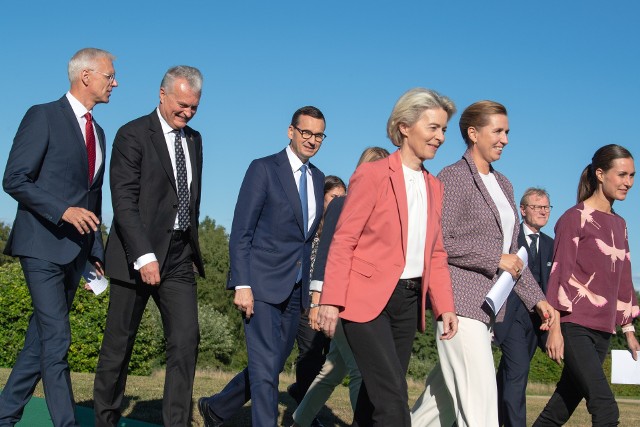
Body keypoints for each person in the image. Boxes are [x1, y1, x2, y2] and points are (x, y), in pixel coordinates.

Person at [317, 88, 459, 426]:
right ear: (405, 126)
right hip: (366, 301)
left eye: (443, 130)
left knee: (374, 394)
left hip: (408, 303)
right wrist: (330, 300)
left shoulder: (434, 186)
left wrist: (445, 305)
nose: (440, 137)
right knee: (394, 398)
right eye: (433, 127)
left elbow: (436, 253)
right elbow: (344, 240)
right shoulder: (373, 174)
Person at [411, 100, 555, 427]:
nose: (505, 139)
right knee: (482, 411)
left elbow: (516, 255)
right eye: (498, 131)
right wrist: (495, 258)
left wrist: (538, 301)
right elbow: (440, 241)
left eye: (507, 132)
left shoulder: (504, 184)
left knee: (434, 410)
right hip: (460, 308)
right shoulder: (454, 176)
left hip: (489, 311)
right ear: (473, 133)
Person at [0, 48, 117, 427]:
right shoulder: (42, 115)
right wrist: (61, 210)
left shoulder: (99, 131)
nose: (114, 83)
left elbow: (93, 198)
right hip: (40, 246)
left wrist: (95, 251)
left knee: (40, 342)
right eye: (109, 75)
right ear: (86, 76)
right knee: (58, 339)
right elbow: (14, 178)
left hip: (75, 252)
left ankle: (4, 415)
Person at [198, 106, 326, 427]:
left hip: (297, 290)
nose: (312, 140)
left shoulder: (318, 178)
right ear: (291, 131)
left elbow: (307, 241)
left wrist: (313, 291)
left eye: (318, 135)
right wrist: (241, 284)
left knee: (271, 364)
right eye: (306, 132)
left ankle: (216, 409)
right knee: (267, 371)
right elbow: (242, 231)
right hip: (261, 285)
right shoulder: (264, 169)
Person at [93, 66, 205, 427]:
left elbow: (188, 199)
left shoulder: (195, 140)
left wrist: (184, 247)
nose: (187, 113)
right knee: (118, 347)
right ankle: (105, 419)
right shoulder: (132, 135)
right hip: (134, 255)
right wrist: (144, 256)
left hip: (178, 257)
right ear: (162, 94)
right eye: (182, 104)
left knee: (186, 341)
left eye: (194, 107)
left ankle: (176, 422)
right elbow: (123, 201)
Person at [534, 144, 639, 426]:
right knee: (606, 409)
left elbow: (624, 280)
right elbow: (559, 274)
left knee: (560, 408)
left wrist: (628, 329)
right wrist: (555, 329)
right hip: (574, 326)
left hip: (604, 329)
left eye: (632, 175)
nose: (628, 182)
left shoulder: (621, 225)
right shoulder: (573, 218)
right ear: (601, 174)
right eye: (622, 174)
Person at [291, 147, 389, 427]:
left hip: (368, 302)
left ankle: (300, 420)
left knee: (333, 370)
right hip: (343, 299)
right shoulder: (342, 204)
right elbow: (326, 253)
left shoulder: (385, 210)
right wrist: (318, 299)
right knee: (360, 370)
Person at [493, 187, 555, 427]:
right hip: (511, 317)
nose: (543, 211)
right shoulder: (509, 237)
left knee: (509, 375)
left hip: (539, 321)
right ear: (522, 210)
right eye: (537, 207)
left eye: (547, 207)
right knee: (517, 375)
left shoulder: (552, 244)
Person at [288, 175, 347, 427]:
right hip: (309, 299)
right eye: (333, 197)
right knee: (311, 355)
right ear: (322, 198)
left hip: (330, 301)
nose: (338, 202)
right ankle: (305, 409)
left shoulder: (340, 227)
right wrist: (314, 302)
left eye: (341, 197)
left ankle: (300, 391)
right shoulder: (312, 225)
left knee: (324, 357)